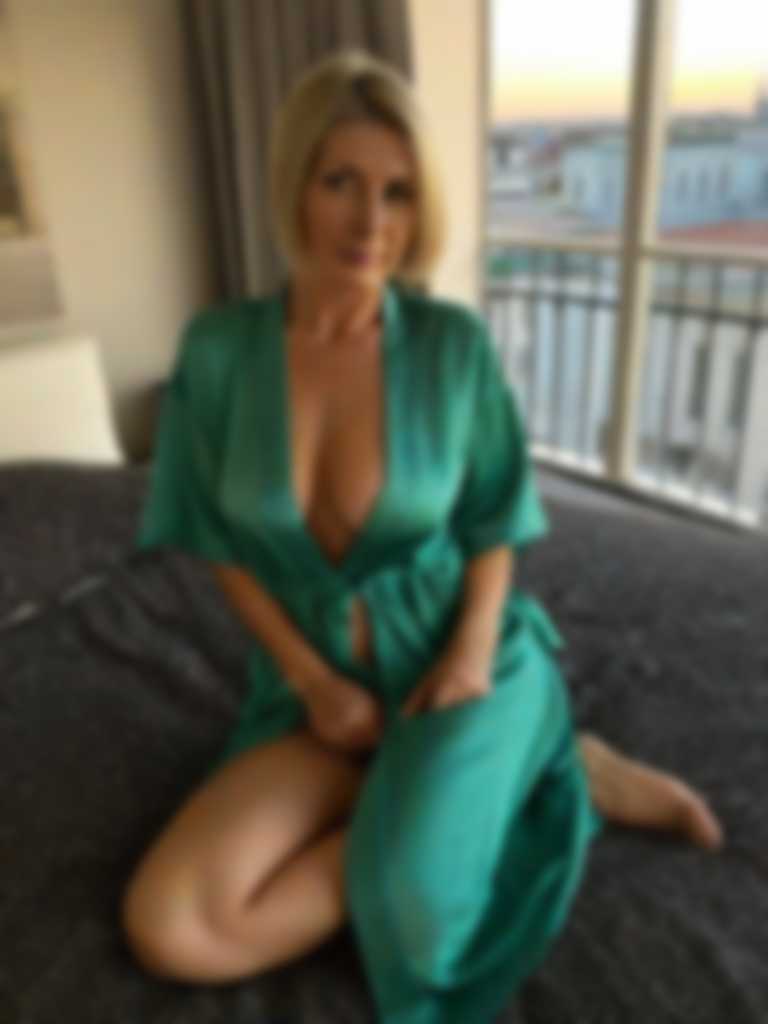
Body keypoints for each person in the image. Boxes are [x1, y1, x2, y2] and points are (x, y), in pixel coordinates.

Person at [120, 48, 724, 1023]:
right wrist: (313, 683)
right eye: (341, 182)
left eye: (398, 192)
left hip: (454, 667)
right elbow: (212, 539)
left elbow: (495, 522)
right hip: (321, 699)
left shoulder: (451, 348)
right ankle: (472, 781)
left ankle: (545, 758)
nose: (372, 222)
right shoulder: (220, 352)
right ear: (295, 184)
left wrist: (474, 653)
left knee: (413, 920)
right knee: (172, 924)